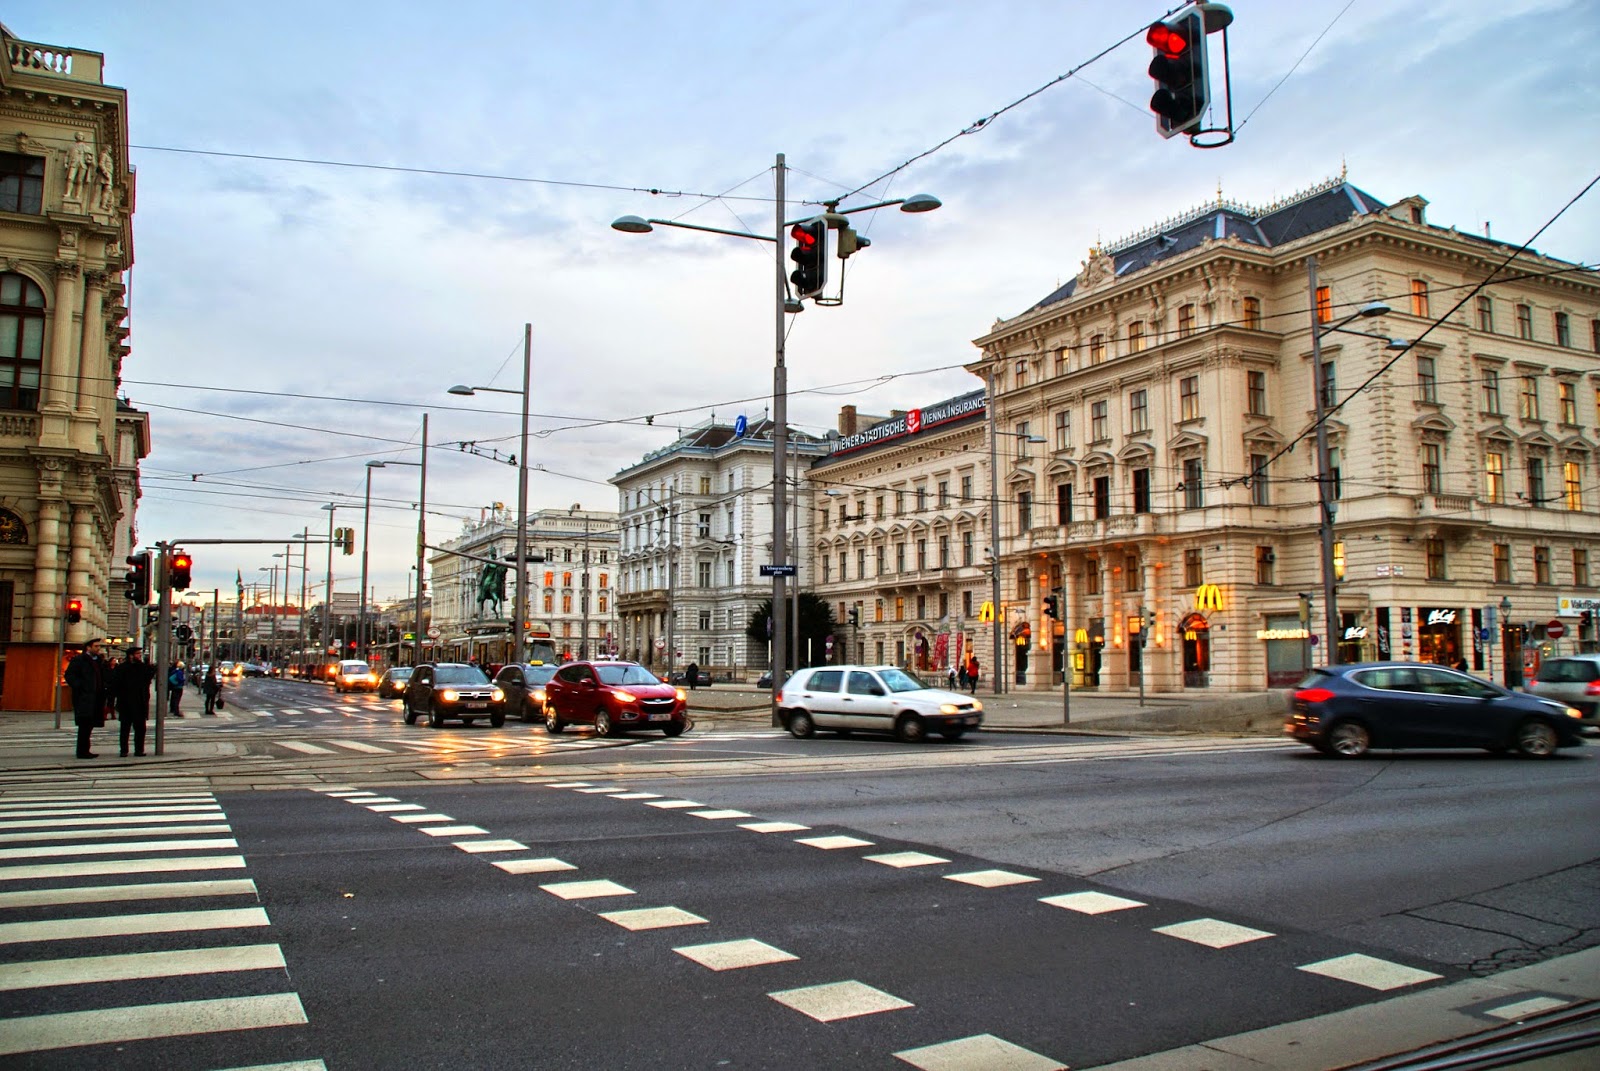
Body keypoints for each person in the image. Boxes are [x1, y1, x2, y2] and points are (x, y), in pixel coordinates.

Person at [65, 637, 108, 759]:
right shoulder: (80, 660)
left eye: (99, 646)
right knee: (84, 725)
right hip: (84, 698)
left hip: (96, 698)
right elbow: (70, 675)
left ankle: (85, 750)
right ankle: (82, 751)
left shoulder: (99, 661)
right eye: (96, 646)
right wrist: (80, 687)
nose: (98, 648)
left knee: (89, 725)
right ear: (88, 648)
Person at [112, 646, 157, 756]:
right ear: (131, 655)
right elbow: (116, 684)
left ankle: (139, 750)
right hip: (126, 702)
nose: (139, 656)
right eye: (137, 654)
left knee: (140, 729)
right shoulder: (122, 668)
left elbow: (149, 676)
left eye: (140, 654)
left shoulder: (142, 667)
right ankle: (124, 750)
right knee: (125, 729)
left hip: (140, 702)